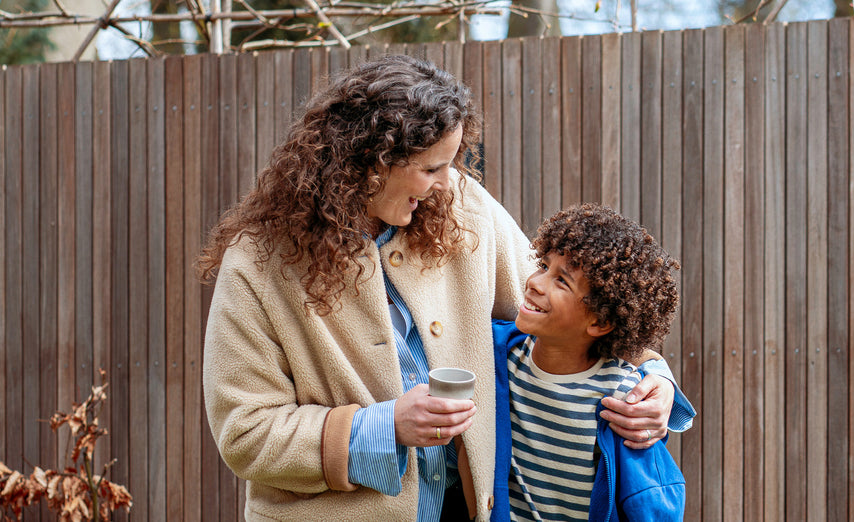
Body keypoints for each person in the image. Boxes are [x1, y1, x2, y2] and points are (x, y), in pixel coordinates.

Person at [199, 55, 689, 521]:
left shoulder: (462, 205)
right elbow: (246, 434)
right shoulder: (258, 263)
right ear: (371, 160)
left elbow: (573, 308)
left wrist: (655, 377)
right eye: (430, 168)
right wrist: (384, 427)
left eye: (449, 166)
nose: (444, 184)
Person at [491, 203, 688, 521]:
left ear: (598, 322)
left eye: (561, 281)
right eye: (543, 265)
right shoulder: (500, 355)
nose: (535, 283)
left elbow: (653, 501)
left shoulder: (622, 398)